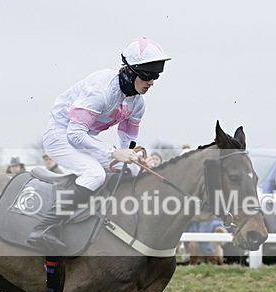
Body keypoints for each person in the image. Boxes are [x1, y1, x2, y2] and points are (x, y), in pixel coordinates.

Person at [26, 37, 171, 250]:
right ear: (130, 71)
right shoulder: (101, 91)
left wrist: (137, 159)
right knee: (95, 175)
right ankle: (43, 228)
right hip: (60, 135)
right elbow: (74, 135)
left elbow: (127, 140)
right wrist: (113, 153)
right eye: (148, 76)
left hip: (82, 136)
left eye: (156, 76)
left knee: (132, 170)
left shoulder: (138, 103)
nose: (152, 82)